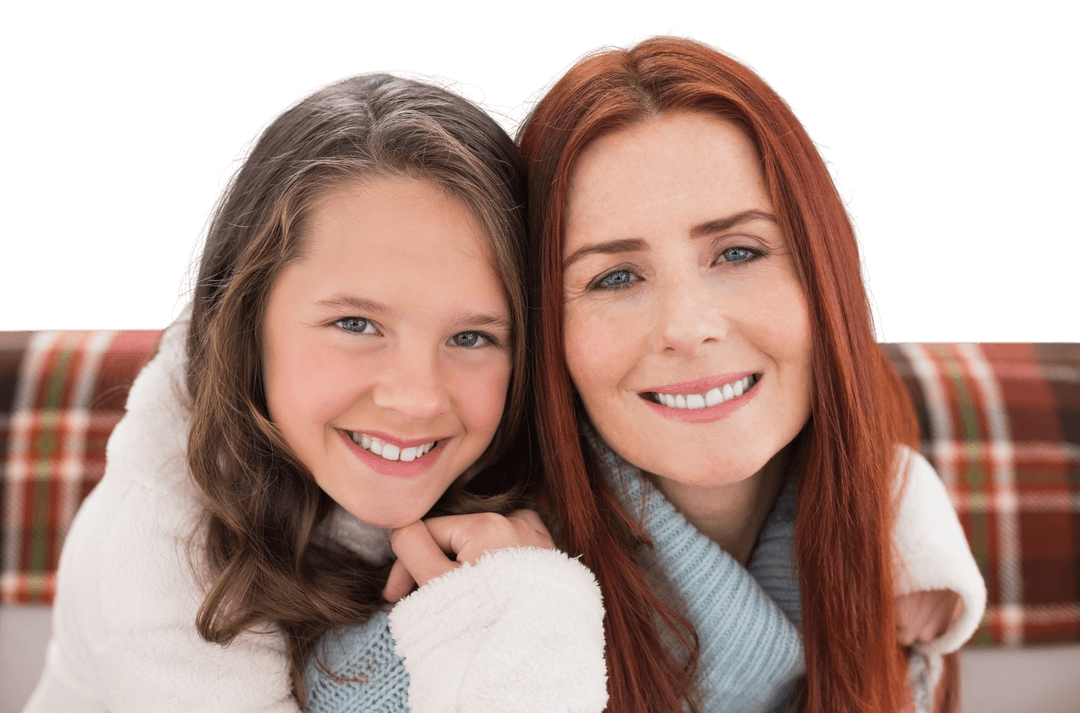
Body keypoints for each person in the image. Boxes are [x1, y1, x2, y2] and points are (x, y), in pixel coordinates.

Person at [23, 73, 607, 713]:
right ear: (248, 321)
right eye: (355, 325)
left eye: (472, 337)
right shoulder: (152, 563)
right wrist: (529, 607)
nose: (417, 399)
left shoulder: (554, 454)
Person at [515, 34, 986, 713]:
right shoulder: (479, 594)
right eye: (614, 276)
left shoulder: (898, 567)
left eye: (738, 251)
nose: (687, 325)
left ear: (824, 274)